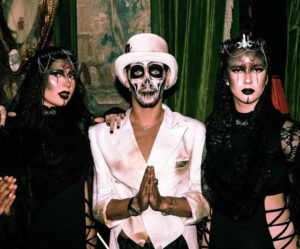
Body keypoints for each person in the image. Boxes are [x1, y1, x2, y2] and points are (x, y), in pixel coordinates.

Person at [89, 33, 209, 249]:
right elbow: (99, 207)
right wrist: (134, 204)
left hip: (178, 243)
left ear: (167, 76)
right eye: (137, 71)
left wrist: (163, 203)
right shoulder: (101, 135)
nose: (146, 81)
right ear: (126, 79)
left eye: (154, 71)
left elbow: (202, 204)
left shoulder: (192, 131)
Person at [201, 34, 300, 249]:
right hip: (218, 240)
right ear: (226, 78)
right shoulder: (212, 129)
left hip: (271, 242)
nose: (248, 78)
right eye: (237, 69)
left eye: (257, 69)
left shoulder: (287, 134)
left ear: (266, 77)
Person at [0, 46, 100, 249]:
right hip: (32, 240)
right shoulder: (16, 131)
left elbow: (84, 192)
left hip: (75, 238)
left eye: (71, 75)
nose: (67, 82)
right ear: (40, 78)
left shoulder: (82, 128)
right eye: (57, 74)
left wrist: (90, 238)